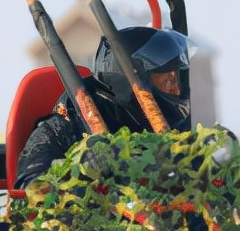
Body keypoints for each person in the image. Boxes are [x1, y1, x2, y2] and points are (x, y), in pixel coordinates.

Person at [14, 26, 192, 188]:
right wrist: (83, 173)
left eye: (176, 78)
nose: (175, 89)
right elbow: (30, 186)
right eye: (167, 80)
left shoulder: (172, 130)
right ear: (135, 79)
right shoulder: (65, 126)